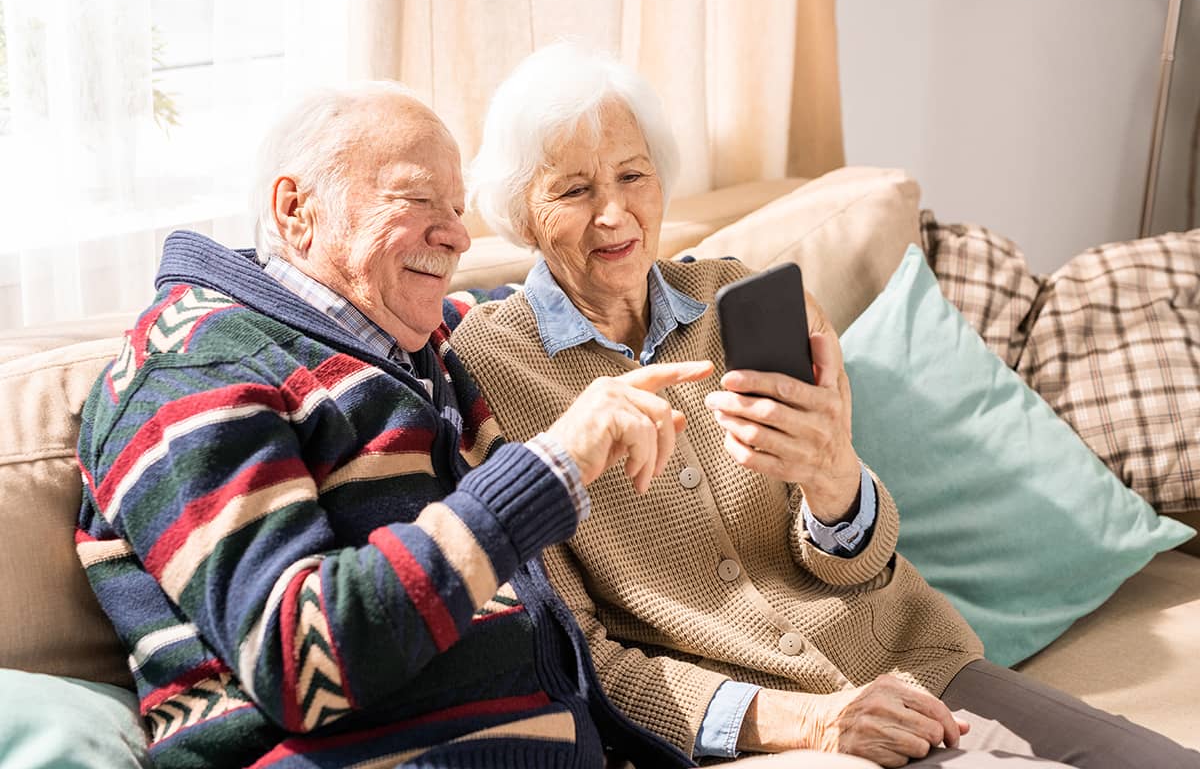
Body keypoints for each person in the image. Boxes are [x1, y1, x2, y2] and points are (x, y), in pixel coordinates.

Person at [73, 82, 872, 769]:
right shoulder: (194, 366)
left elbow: (567, 305)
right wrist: (554, 463)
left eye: (457, 210)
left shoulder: (411, 350)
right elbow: (298, 657)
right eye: (418, 201)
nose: (456, 235)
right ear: (296, 209)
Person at [450, 42, 1200, 769]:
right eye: (575, 190)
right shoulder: (487, 370)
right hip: (765, 719)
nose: (614, 214)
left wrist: (834, 478)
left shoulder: (732, 296)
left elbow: (863, 560)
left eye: (633, 175)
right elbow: (576, 654)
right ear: (521, 209)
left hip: (914, 656)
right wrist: (805, 720)